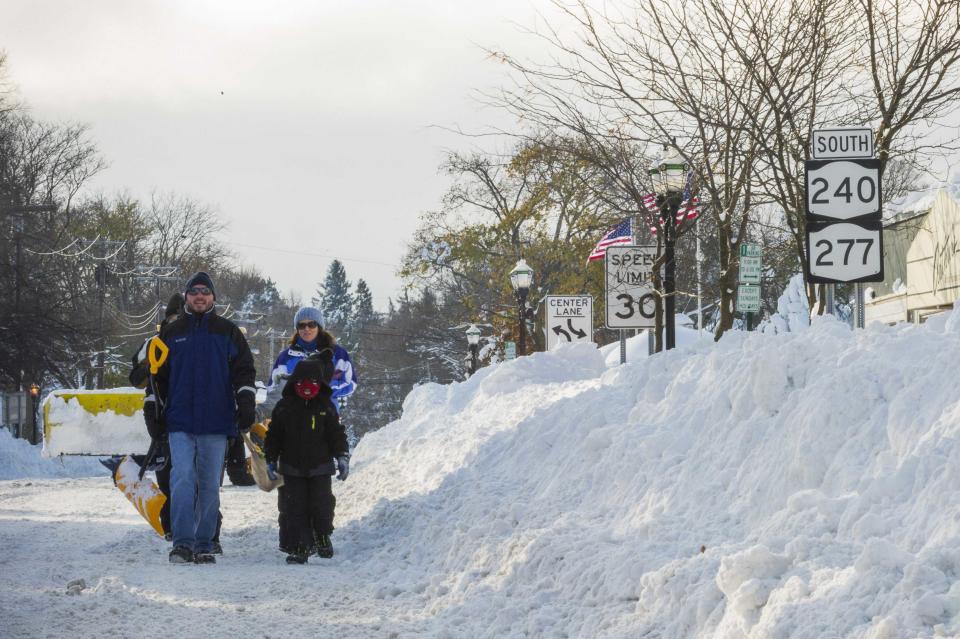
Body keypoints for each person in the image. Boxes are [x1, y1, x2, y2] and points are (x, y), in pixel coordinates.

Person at [151, 271, 257, 564]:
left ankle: (205, 542)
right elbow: (156, 378)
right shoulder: (171, 334)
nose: (199, 296)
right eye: (194, 291)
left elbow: (245, 371)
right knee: (182, 478)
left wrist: (245, 401)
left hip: (216, 421)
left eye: (205, 292)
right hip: (180, 421)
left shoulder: (228, 332)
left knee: (210, 483)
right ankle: (182, 543)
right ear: (187, 297)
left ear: (213, 298)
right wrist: (154, 412)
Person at [264, 307, 357, 554]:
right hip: (292, 422)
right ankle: (294, 540)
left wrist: (323, 392)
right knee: (292, 493)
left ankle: (322, 534)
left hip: (323, 420)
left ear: (320, 326)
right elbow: (274, 385)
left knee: (320, 493)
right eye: (301, 325)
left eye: (311, 324)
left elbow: (350, 383)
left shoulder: (337, 354)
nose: (306, 329)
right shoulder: (287, 356)